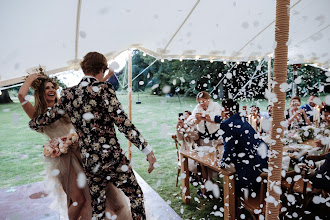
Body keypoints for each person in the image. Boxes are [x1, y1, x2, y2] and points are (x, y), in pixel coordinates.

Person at [29, 52, 157, 219]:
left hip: (91, 162)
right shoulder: (104, 89)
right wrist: (148, 151)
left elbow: (41, 121)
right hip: (113, 158)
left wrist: (34, 122)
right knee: (136, 196)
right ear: (103, 69)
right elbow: (124, 124)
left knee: (98, 208)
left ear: (84, 69)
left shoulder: (69, 95)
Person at [19, 68, 132, 219]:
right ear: (41, 93)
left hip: (82, 152)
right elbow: (21, 95)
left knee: (96, 196)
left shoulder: (63, 105)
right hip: (63, 159)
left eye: (53, 87)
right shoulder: (37, 114)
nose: (52, 89)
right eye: (47, 88)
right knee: (79, 200)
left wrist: (106, 77)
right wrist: (31, 79)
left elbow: (86, 93)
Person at [214, 99, 269, 194]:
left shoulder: (226, 124)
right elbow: (223, 119)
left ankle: (236, 204)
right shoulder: (241, 118)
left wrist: (222, 163)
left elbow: (229, 149)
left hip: (249, 165)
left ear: (226, 111)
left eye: (222, 110)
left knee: (234, 190)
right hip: (262, 158)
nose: (221, 112)